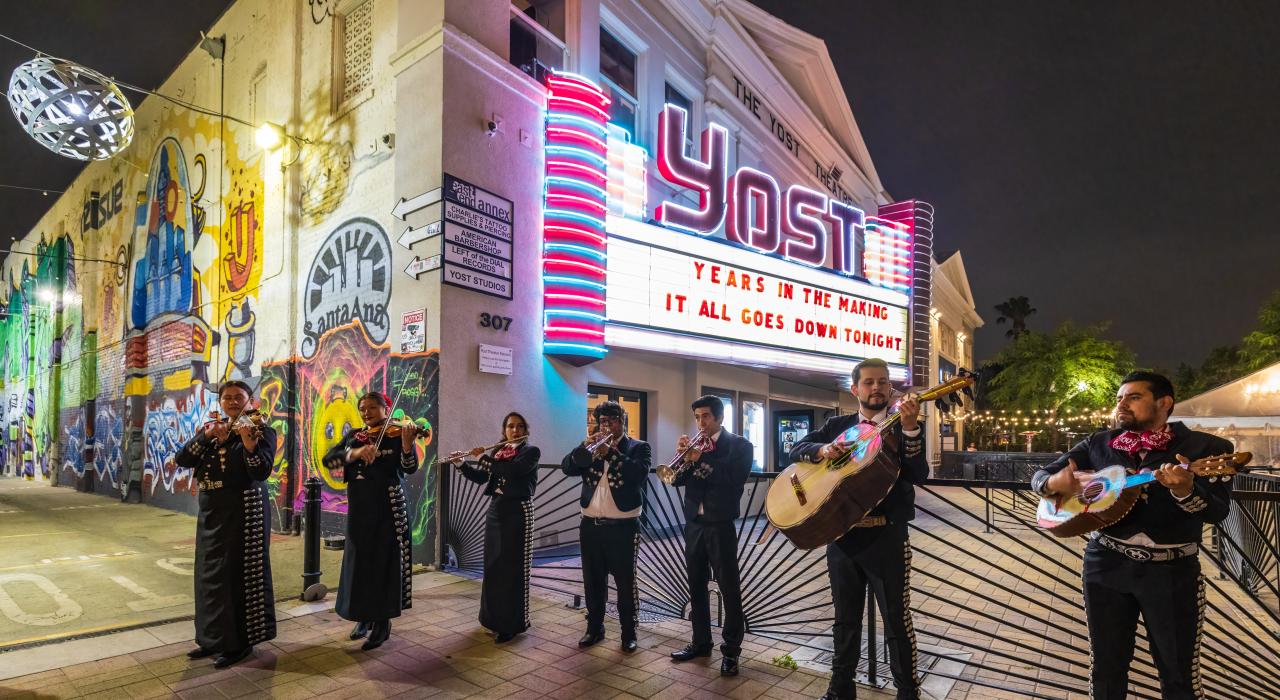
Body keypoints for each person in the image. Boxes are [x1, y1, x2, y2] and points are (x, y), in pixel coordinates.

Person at [1032, 371, 1234, 700]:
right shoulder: (1100, 442)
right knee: (1106, 668)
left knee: (1178, 673)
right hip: (1105, 564)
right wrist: (1053, 483)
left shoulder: (1207, 448)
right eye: (1119, 398)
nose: (1122, 404)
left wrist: (1185, 490)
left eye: (1134, 397)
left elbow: (1218, 512)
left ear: (1164, 403)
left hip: (1172, 570)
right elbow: (1041, 475)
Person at [788, 358, 927, 699]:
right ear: (855, 389)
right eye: (869, 382)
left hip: (887, 537)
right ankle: (840, 690)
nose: (876, 387)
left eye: (883, 381)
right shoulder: (837, 425)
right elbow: (796, 448)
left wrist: (912, 429)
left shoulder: (901, 424)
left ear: (890, 387)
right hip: (843, 536)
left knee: (896, 620)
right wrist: (823, 450)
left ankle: (908, 693)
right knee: (845, 620)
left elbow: (918, 474)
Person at [175, 381, 277, 668]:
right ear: (220, 402)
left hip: (243, 511)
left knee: (236, 577)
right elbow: (183, 458)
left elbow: (261, 471)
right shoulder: (213, 430)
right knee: (209, 576)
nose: (233, 402)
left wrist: (249, 444)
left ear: (250, 401)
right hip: (212, 512)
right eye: (227, 398)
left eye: (239, 397)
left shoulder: (261, 430)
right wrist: (206, 436)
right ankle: (210, 639)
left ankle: (239, 643)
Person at [323, 392, 424, 651]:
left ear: (386, 409)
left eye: (372, 407)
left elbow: (409, 467)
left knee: (382, 565)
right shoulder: (355, 436)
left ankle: (381, 623)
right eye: (362, 408)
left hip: (387, 508)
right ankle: (363, 617)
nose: (366, 412)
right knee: (360, 564)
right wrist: (356, 453)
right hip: (360, 509)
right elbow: (329, 460)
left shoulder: (396, 434)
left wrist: (407, 445)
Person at [669, 395, 753, 677]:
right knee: (695, 585)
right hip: (694, 523)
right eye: (696, 417)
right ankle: (701, 643)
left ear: (719, 417)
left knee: (729, 588)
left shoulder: (740, 446)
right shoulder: (695, 446)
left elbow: (733, 479)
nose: (700, 422)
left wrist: (700, 458)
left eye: (705, 416)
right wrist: (681, 458)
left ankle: (731, 652)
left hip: (721, 524)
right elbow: (676, 480)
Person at [560, 401, 651, 652]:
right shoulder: (591, 447)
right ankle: (594, 628)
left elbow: (639, 474)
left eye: (611, 420)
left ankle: (628, 633)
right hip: (590, 525)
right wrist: (582, 448)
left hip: (623, 527)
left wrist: (611, 452)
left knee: (625, 582)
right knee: (592, 581)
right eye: (602, 421)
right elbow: (567, 467)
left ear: (622, 422)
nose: (606, 425)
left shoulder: (638, 447)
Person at [458, 412, 540, 643]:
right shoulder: (499, 451)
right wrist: (461, 464)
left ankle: (511, 625)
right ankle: (492, 619)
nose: (515, 430)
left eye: (519, 426)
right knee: (493, 566)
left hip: (518, 512)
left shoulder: (531, 452)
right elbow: (481, 478)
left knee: (512, 568)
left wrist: (484, 458)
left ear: (525, 430)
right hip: (496, 510)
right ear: (504, 430)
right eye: (510, 426)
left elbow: (513, 471)